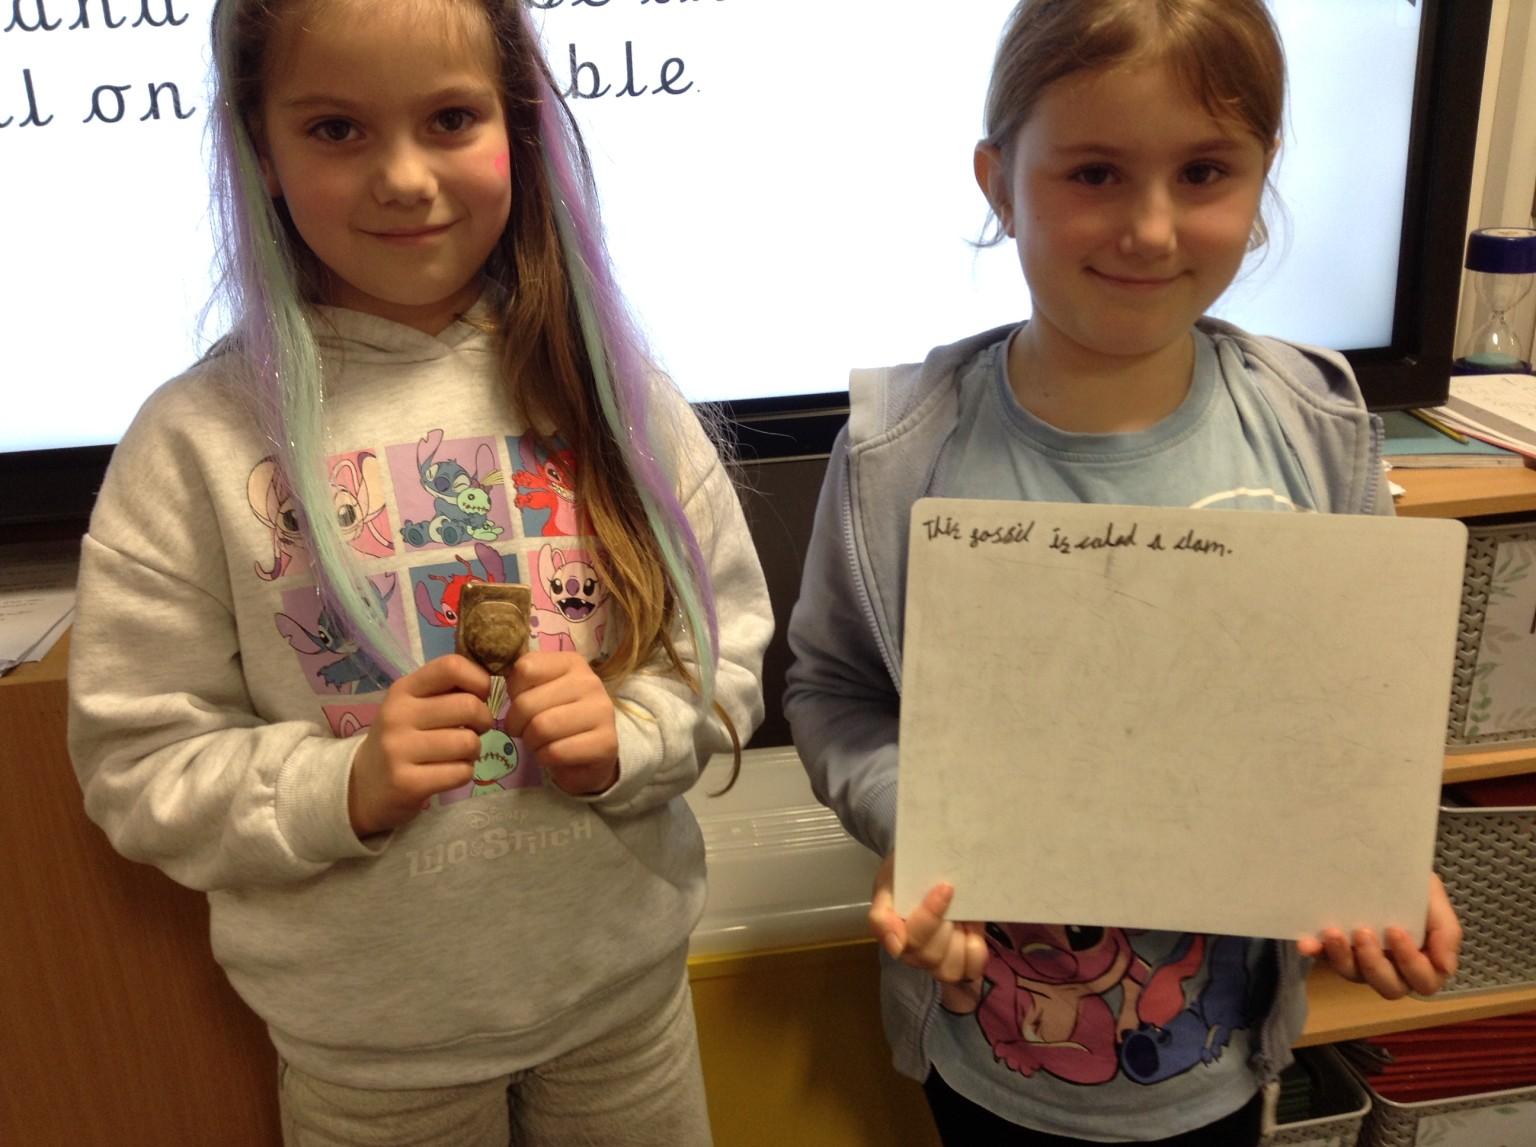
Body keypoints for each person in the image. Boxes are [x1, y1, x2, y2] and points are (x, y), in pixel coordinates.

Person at [66, 0, 771, 1143]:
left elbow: (722, 652)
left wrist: (630, 733)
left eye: (449, 119)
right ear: (261, 148)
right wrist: (340, 784)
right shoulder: (195, 439)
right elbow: (137, 760)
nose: (403, 178)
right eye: (336, 128)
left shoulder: (612, 392)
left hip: (624, 1007)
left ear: (518, 128)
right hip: (370, 1056)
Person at [783, 1, 1461, 1144]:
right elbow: (834, 692)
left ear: (1263, 173)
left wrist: (1377, 864)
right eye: (1094, 173)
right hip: (988, 1051)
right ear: (1000, 184)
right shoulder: (901, 454)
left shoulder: (1313, 432)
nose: (1149, 230)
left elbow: (1348, 724)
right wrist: (923, 825)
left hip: (1218, 1058)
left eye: (1204, 172)